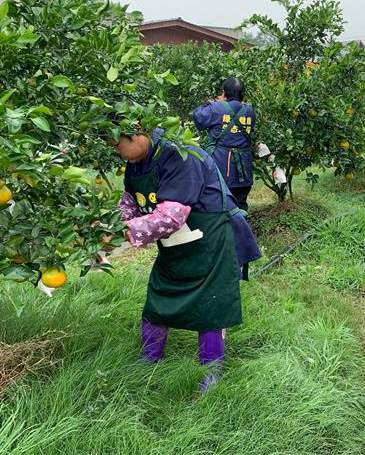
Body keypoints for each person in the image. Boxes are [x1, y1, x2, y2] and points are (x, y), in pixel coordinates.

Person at [107, 128, 261, 390]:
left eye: (117, 143)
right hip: (175, 244)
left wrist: (126, 232)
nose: (116, 150)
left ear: (138, 132)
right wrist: (107, 227)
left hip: (211, 239)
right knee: (160, 296)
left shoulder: (181, 155)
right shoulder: (136, 163)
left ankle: (211, 369)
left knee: (211, 306)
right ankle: (149, 360)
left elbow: (170, 217)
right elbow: (131, 202)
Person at [192, 77, 255, 212]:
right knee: (240, 204)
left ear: (224, 92)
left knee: (221, 204)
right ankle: (241, 229)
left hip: (221, 166)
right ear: (243, 94)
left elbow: (198, 118)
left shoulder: (216, 108)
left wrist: (211, 103)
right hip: (244, 168)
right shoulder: (250, 111)